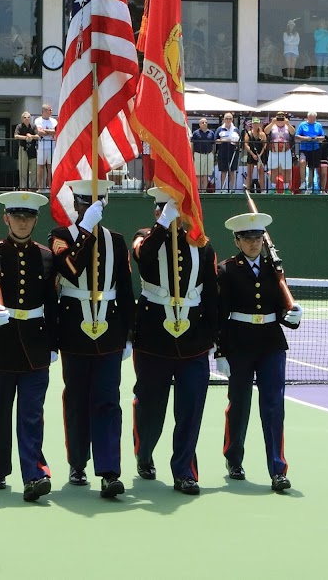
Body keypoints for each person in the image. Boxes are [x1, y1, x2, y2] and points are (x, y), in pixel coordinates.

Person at [0, 191, 58, 502]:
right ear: (5, 218)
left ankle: (34, 475)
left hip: (35, 344)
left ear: (35, 220)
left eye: (28, 216)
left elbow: (53, 304)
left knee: (32, 414)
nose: (22, 221)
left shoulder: (46, 256)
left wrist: (54, 344)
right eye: (17, 215)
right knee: (0, 413)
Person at [49, 179, 134, 498]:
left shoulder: (117, 240)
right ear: (76, 206)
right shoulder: (60, 237)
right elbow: (70, 270)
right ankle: (77, 462)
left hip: (109, 329)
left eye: (93, 205)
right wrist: (84, 229)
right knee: (76, 400)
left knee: (108, 401)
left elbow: (126, 288)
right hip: (73, 329)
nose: (87, 209)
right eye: (83, 205)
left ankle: (110, 470)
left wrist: (129, 333)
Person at [130, 188, 218, 495]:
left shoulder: (202, 244)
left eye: (177, 211)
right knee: (151, 408)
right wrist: (162, 224)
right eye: (166, 211)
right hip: (154, 339)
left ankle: (184, 471)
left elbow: (211, 294)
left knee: (191, 408)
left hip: (194, 340)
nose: (173, 216)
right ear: (157, 212)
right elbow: (144, 257)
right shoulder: (145, 237)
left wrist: (218, 339)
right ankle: (144, 452)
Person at [215, 212, 303, 492]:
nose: (253, 243)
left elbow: (281, 307)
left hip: (271, 344)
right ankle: (234, 458)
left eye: (257, 237)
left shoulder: (273, 269)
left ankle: (278, 469)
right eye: (247, 238)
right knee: (239, 405)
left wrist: (293, 316)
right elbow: (220, 314)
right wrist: (220, 352)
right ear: (237, 241)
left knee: (274, 406)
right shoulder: (226, 270)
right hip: (239, 344)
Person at [295, 111, 325, 194]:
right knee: (302, 162)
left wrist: (316, 138)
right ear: (307, 117)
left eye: (314, 118)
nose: (312, 119)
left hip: (315, 149)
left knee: (312, 168)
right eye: (310, 118)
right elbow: (297, 136)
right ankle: (303, 182)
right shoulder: (302, 125)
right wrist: (305, 138)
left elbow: (323, 137)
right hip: (304, 148)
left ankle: (310, 186)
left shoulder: (318, 125)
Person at [264, 112, 293, 194]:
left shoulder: (287, 126)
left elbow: (293, 132)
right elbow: (266, 131)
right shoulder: (272, 126)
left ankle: (286, 188)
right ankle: (273, 188)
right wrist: (272, 122)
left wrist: (288, 123)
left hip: (285, 151)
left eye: (282, 117)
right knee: (273, 170)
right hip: (274, 151)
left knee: (286, 169)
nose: (280, 119)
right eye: (278, 117)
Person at [215, 112, 241, 192]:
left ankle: (232, 189)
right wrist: (224, 140)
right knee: (224, 171)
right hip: (223, 153)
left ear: (232, 120)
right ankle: (223, 189)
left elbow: (240, 141)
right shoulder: (219, 129)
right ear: (224, 119)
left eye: (230, 118)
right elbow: (216, 140)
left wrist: (235, 142)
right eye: (226, 118)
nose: (228, 120)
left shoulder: (236, 129)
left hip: (233, 153)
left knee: (232, 171)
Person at [33, 105, 57, 190]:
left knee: (50, 167)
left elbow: (55, 132)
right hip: (41, 146)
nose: (51, 111)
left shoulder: (54, 121)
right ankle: (40, 187)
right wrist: (49, 131)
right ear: (44, 111)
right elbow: (39, 132)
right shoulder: (38, 120)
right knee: (41, 167)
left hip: (52, 146)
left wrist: (45, 130)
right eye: (49, 110)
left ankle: (50, 186)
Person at [14, 112, 39, 190]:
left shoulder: (33, 126)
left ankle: (33, 187)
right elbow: (16, 136)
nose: (27, 119)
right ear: (22, 119)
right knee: (23, 169)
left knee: (34, 170)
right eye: (25, 117)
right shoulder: (19, 126)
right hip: (23, 149)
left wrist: (31, 136)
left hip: (32, 149)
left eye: (28, 117)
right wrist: (25, 137)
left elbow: (38, 136)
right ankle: (23, 187)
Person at [244, 117, 269, 192]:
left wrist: (260, 155)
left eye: (257, 123)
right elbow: (246, 144)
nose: (255, 125)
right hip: (251, 155)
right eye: (254, 123)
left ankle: (262, 190)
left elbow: (265, 145)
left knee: (261, 173)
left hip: (260, 155)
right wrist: (252, 154)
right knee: (249, 173)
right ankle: (248, 189)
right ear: (252, 124)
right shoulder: (248, 133)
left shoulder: (262, 134)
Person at [191, 118, 215, 191]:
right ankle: (198, 190)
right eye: (202, 122)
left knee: (206, 174)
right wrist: (192, 155)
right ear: (199, 124)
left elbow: (213, 145)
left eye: (206, 122)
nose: (204, 123)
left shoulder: (211, 133)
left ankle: (204, 190)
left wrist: (213, 154)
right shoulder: (195, 133)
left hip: (209, 155)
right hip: (198, 155)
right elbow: (192, 144)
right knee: (198, 174)